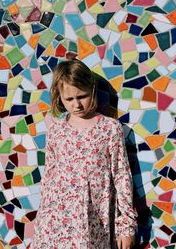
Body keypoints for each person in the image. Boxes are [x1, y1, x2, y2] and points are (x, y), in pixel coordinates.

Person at [31, 59, 137, 249]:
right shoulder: (56, 131)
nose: (77, 105)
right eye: (69, 99)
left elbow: (122, 176)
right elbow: (49, 177)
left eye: (82, 96)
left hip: (94, 222)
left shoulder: (110, 128)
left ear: (93, 90)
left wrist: (126, 226)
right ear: (59, 98)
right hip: (55, 224)